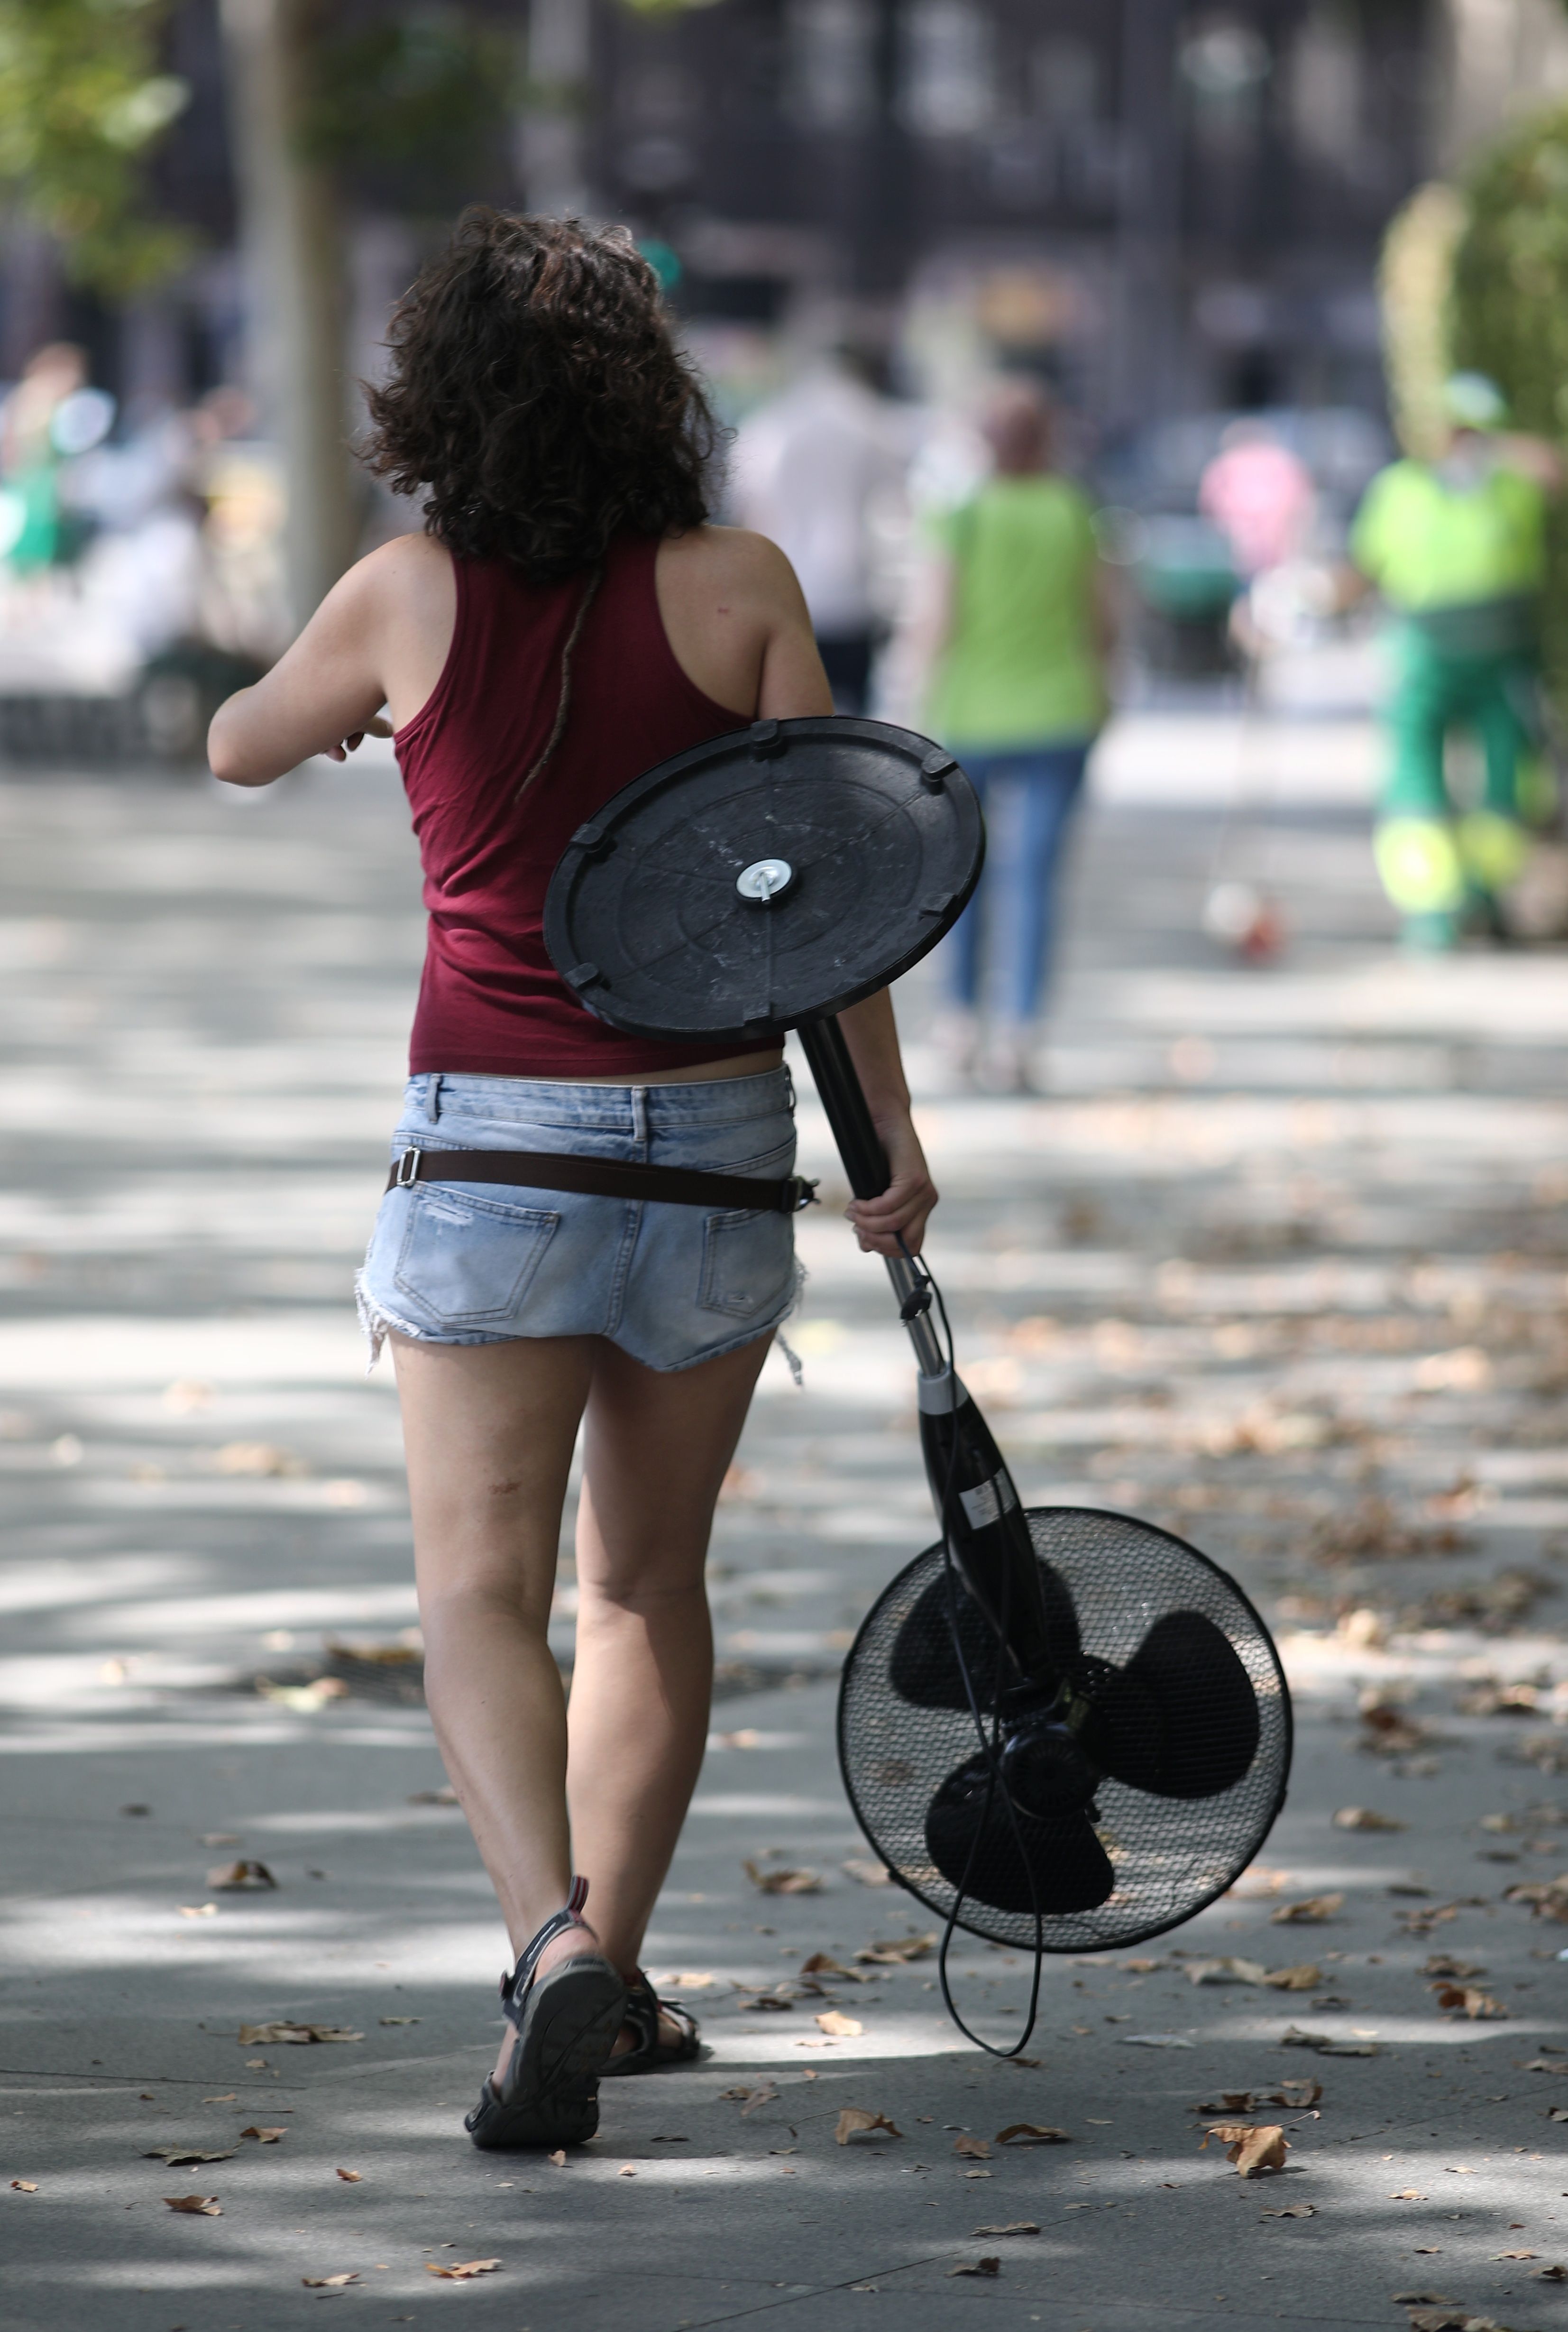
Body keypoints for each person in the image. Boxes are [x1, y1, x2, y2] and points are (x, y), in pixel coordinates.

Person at [206, 210, 936, 2150]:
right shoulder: (739, 585)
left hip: (489, 1152)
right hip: (708, 1154)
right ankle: (609, 1956)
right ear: (649, 394)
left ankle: (544, 1943)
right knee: (643, 1586)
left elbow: (229, 745)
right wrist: (891, 1146)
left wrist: (364, 701)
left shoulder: (399, 590)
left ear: (431, 400)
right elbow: (837, 900)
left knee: (475, 1586)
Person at [910, 378, 1110, 1091]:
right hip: (1062, 710)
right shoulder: (1071, 510)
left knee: (962, 875)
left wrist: (910, 696)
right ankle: (1020, 1033)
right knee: (1035, 878)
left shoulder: (961, 514)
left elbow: (934, 617)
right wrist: (1107, 690)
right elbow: (1101, 617)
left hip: (972, 715)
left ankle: (959, 1021)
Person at [1349, 371, 1560, 950]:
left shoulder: (1509, 488)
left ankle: (1486, 897)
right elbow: (1363, 568)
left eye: (1475, 432)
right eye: (1455, 431)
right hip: (1422, 659)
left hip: (1502, 660)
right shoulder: (1399, 490)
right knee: (1415, 787)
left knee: (1506, 783)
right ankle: (1429, 915)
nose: (1463, 443)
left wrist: (1497, 452)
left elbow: (1553, 470)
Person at [729, 346, 905, 711]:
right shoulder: (868, 422)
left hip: (789, 586)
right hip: (852, 589)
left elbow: (749, 510)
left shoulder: (770, 424)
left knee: (795, 724)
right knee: (856, 719)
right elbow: (896, 500)